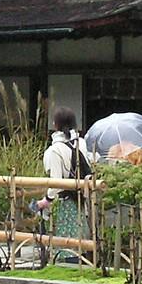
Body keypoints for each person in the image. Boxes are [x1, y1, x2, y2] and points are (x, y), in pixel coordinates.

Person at [42, 107, 94, 263]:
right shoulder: (81, 143)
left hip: (64, 203)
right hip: (81, 200)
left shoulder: (55, 150)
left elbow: (56, 183)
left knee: (65, 246)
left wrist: (47, 200)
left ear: (55, 124)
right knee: (80, 242)